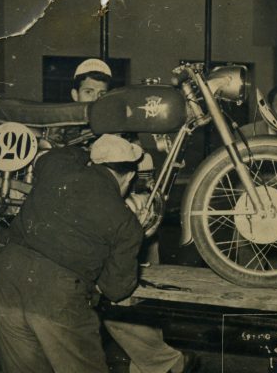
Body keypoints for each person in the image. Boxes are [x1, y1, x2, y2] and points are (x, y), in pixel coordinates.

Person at [68, 58, 198, 373]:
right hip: (97, 238)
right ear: (75, 95)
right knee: (118, 305)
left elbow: (149, 177)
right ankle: (166, 364)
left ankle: (158, 366)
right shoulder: (65, 135)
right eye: (88, 92)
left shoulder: (128, 133)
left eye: (102, 94)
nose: (96, 100)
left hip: (135, 230)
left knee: (140, 306)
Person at [0, 134, 144, 373]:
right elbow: (116, 289)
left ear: (93, 162)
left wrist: (87, 152)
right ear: (130, 177)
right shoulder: (126, 222)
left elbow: (51, 156)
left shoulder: (58, 167)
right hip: (56, 295)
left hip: (5, 276)